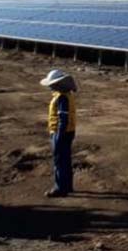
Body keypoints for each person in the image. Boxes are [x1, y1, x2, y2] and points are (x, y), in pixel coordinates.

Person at [40, 69, 78, 198]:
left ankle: (60, 188)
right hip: (68, 131)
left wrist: (59, 136)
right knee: (66, 160)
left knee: (59, 160)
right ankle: (67, 186)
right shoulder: (67, 95)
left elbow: (63, 118)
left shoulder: (62, 98)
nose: (50, 86)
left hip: (60, 132)